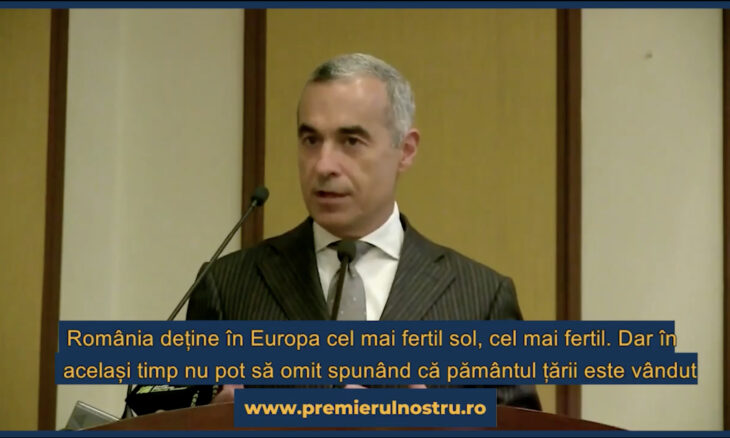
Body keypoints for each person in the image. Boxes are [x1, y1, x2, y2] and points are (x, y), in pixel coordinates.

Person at [186, 53, 541, 410]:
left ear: (405, 150)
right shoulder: (227, 288)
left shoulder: (481, 299)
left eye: (351, 141)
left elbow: (523, 430)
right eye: (311, 140)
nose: (323, 165)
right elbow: (172, 420)